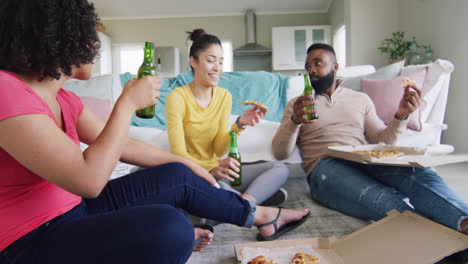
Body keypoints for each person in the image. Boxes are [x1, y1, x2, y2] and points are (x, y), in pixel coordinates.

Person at [0, 1, 311, 263]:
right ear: (59, 36)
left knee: (176, 175)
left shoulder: (64, 98)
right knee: (172, 228)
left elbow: (125, 145)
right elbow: (89, 181)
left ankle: (260, 215)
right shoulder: (6, 89)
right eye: (86, 32)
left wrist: (187, 166)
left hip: (74, 210)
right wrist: (126, 104)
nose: (93, 44)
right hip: (31, 239)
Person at [272, 43, 468, 235]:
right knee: (383, 199)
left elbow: (383, 140)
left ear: (335, 66)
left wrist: (400, 116)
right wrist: (295, 120)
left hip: (362, 157)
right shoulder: (297, 105)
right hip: (325, 168)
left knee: (420, 173)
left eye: (317, 63)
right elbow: (280, 152)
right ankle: (443, 241)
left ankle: (463, 223)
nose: (311, 70)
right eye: (308, 67)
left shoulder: (360, 99)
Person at [166, 29, 289, 206]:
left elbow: (218, 149)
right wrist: (210, 173)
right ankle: (253, 200)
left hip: (219, 171)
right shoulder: (177, 97)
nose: (217, 68)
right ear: (193, 61)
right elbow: (179, 155)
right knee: (217, 188)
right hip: (193, 176)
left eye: (221, 62)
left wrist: (239, 124)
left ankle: (245, 203)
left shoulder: (224, 96)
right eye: (210, 60)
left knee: (279, 168)